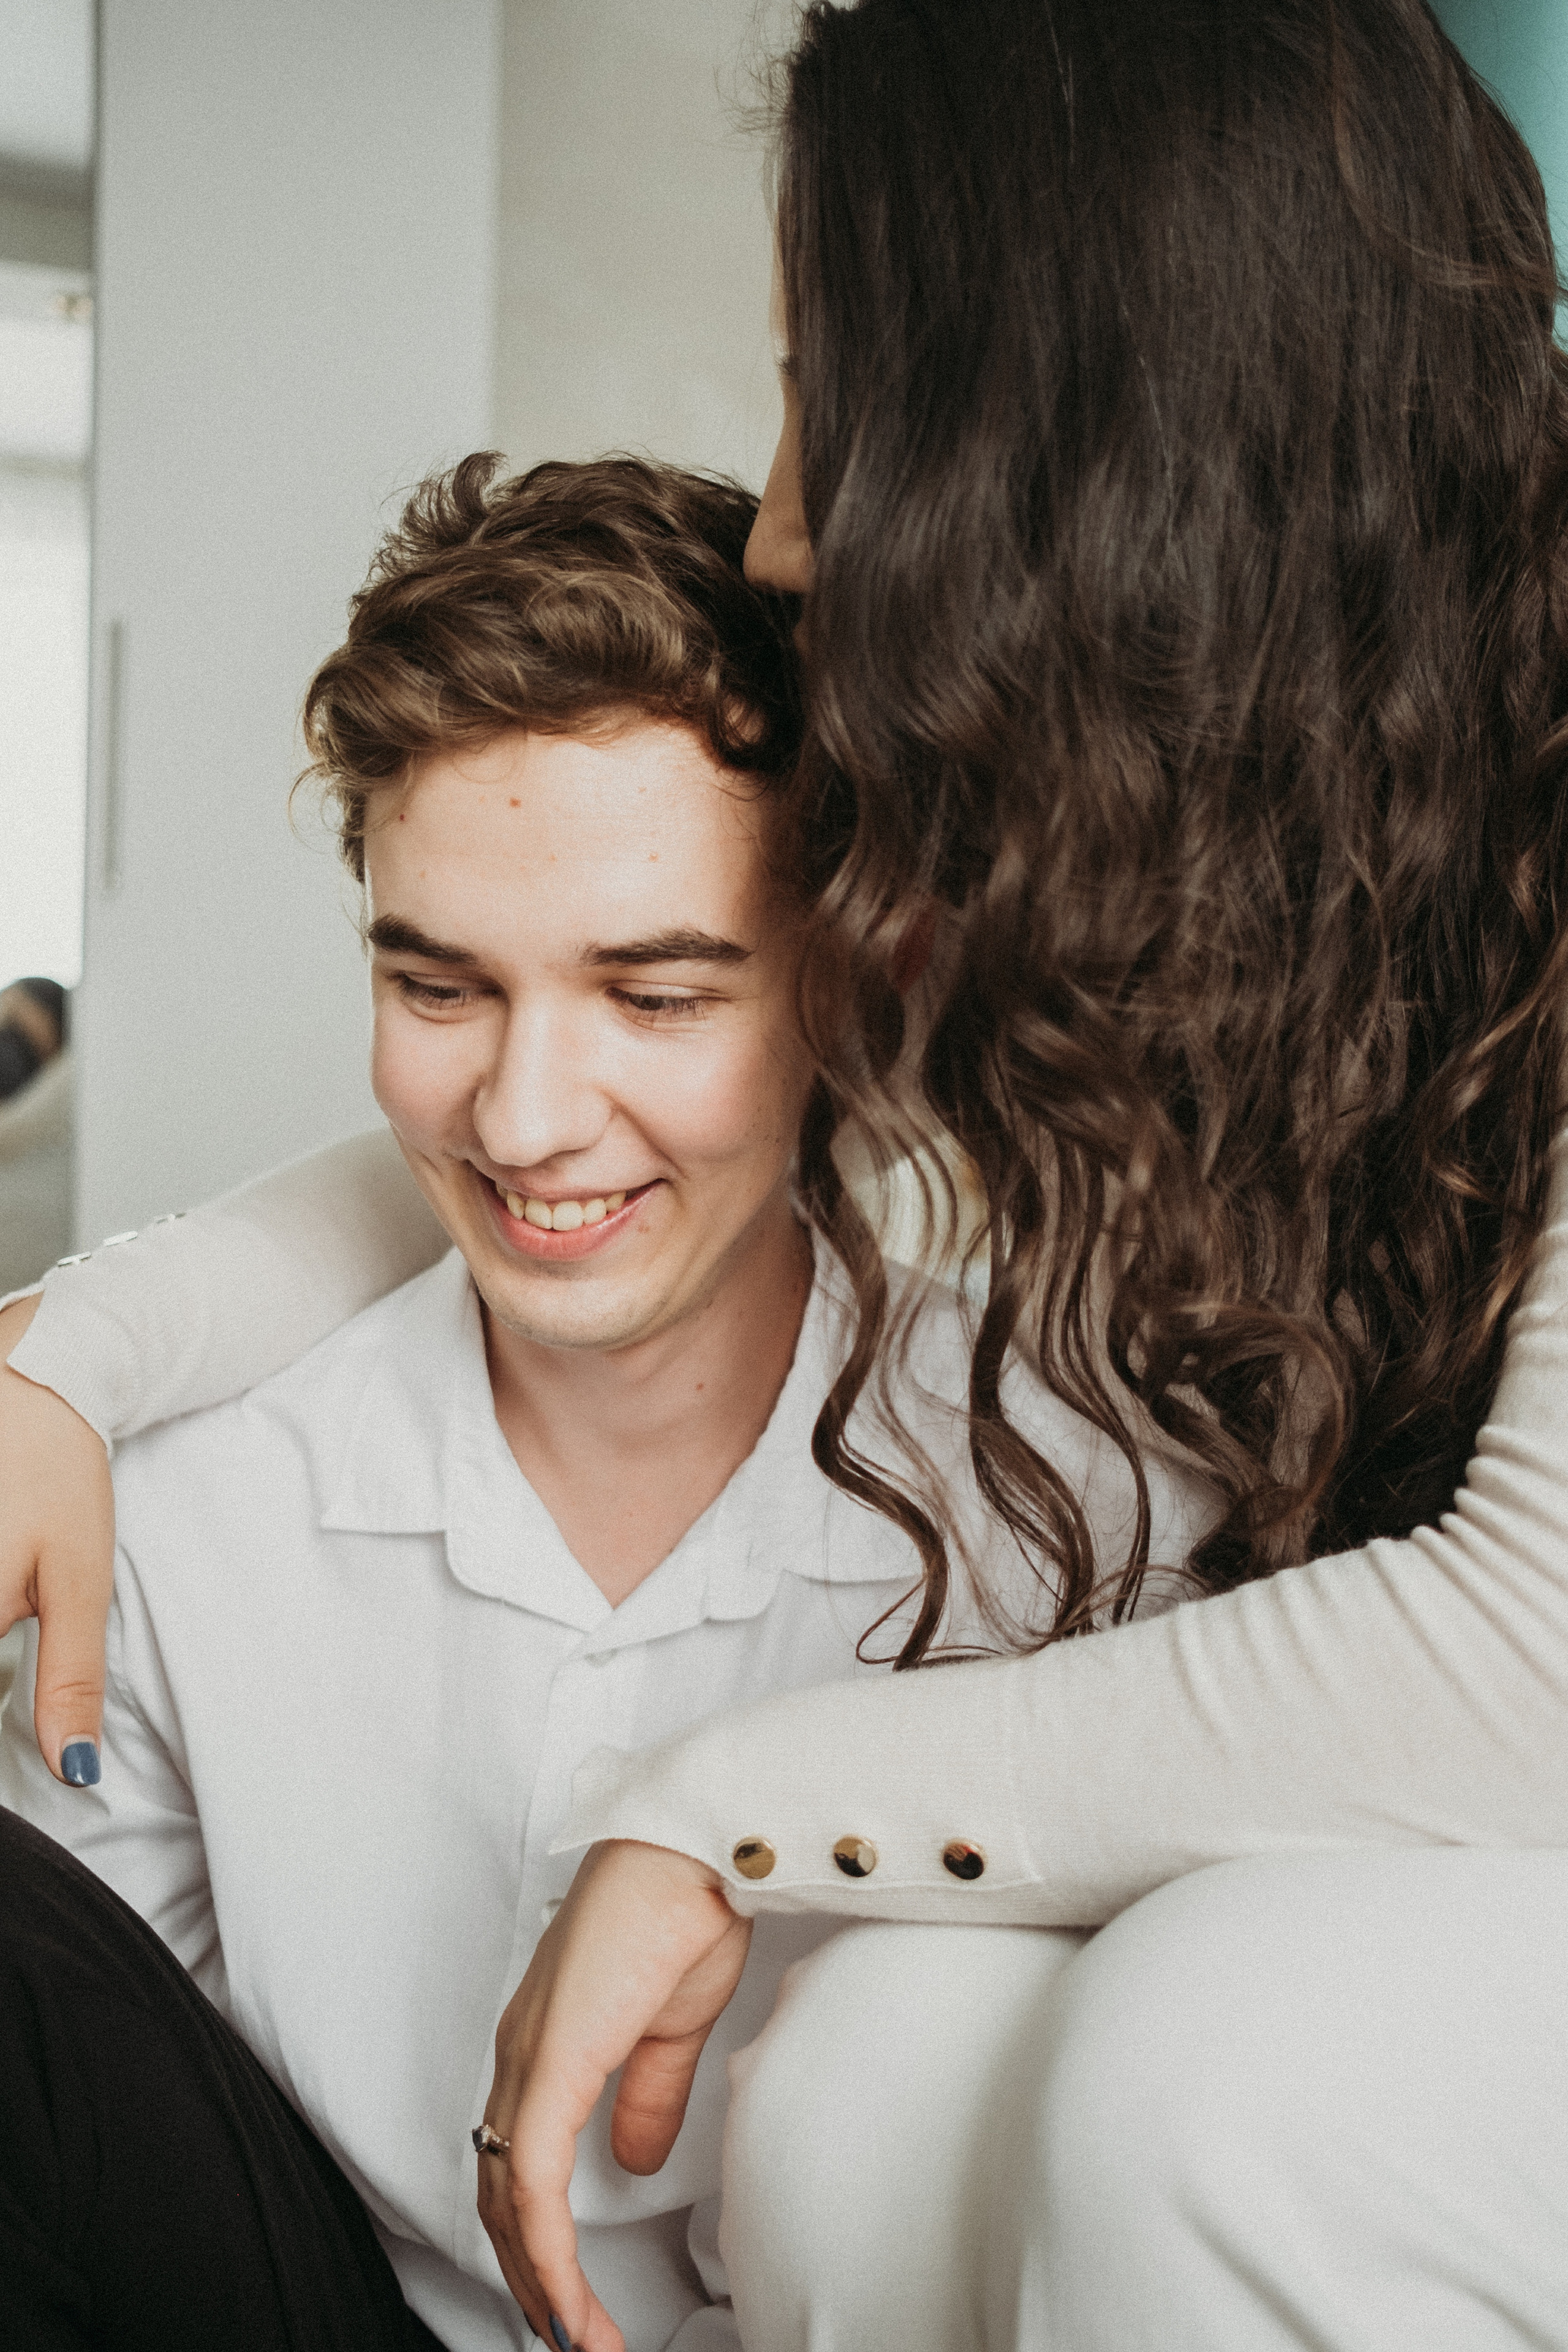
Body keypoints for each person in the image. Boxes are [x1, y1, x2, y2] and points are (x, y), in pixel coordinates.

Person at [2, 0, 1567, 2345]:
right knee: (873, 2069)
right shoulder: (1219, 898)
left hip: (1427, 1911)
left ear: (1089, 445)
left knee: (1231, 2060)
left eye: (839, 385)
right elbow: (532, 1143)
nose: (786, 509)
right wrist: (82, 1355)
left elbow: (1532, 1656)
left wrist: (719, 1799)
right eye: (439, 980)